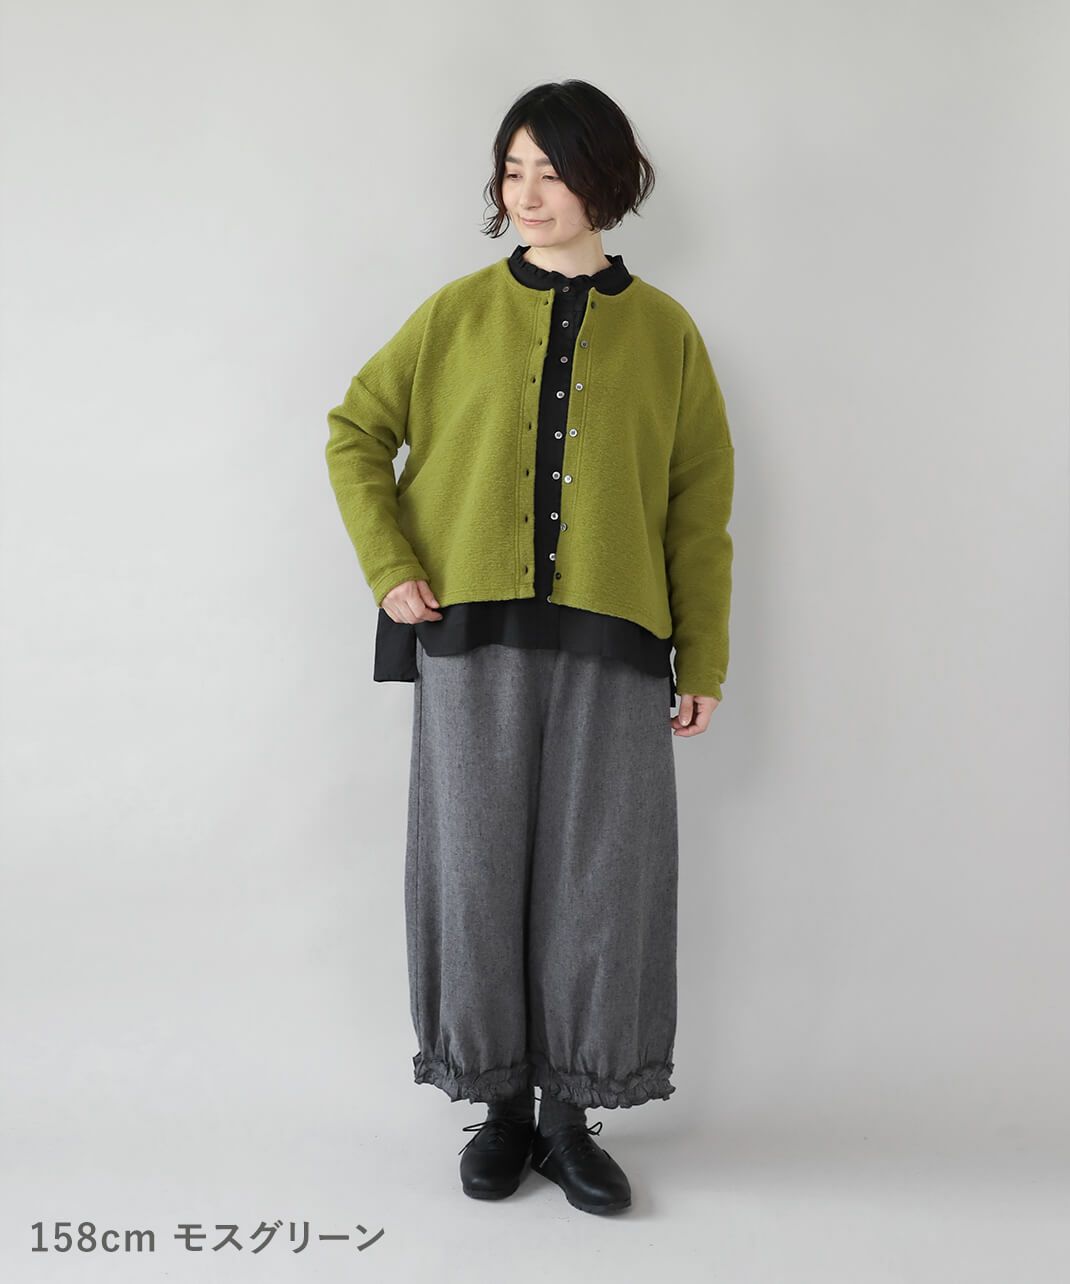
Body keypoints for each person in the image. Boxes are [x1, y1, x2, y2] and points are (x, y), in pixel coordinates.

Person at [325, 79, 735, 1216]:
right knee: (472, 870)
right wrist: (389, 565)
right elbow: (356, 430)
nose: (527, 193)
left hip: (615, 647)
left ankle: (570, 1118)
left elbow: (697, 510)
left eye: (550, 172)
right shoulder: (454, 314)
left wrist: (701, 657)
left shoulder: (666, 333)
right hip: (472, 641)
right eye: (513, 171)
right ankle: (498, 1105)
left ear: (605, 179)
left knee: (601, 881)